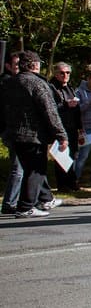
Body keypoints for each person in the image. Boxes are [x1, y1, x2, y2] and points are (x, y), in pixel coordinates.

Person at [3, 51, 67, 218]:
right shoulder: (37, 83)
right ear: (35, 65)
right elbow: (50, 111)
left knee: (30, 168)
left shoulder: (9, 83)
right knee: (36, 170)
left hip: (13, 134)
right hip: (33, 134)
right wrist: (61, 135)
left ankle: (45, 199)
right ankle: (25, 206)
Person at [49, 62, 84, 192]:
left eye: (68, 73)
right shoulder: (51, 88)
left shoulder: (70, 87)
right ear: (56, 74)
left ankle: (71, 182)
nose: (65, 75)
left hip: (72, 127)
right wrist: (65, 105)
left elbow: (77, 110)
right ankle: (62, 184)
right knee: (61, 155)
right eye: (62, 73)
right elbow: (49, 108)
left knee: (72, 155)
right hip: (59, 127)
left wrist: (80, 127)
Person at [1, 52, 24, 214]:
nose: (20, 67)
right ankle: (9, 202)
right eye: (16, 65)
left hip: (15, 130)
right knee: (18, 167)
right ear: (8, 66)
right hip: (12, 131)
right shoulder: (7, 83)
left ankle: (27, 199)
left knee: (24, 167)